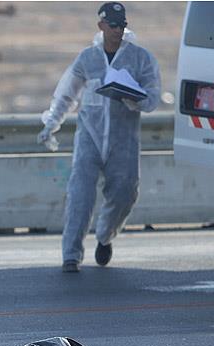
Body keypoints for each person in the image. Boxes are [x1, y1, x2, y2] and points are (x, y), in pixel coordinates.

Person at [37, 2, 160, 273]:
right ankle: (71, 255)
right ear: (101, 25)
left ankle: (105, 236)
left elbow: (153, 97)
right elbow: (66, 95)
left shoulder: (141, 59)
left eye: (122, 25)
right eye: (113, 25)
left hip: (123, 141)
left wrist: (133, 97)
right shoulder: (87, 58)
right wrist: (51, 124)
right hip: (89, 139)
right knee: (79, 195)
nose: (118, 30)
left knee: (125, 193)